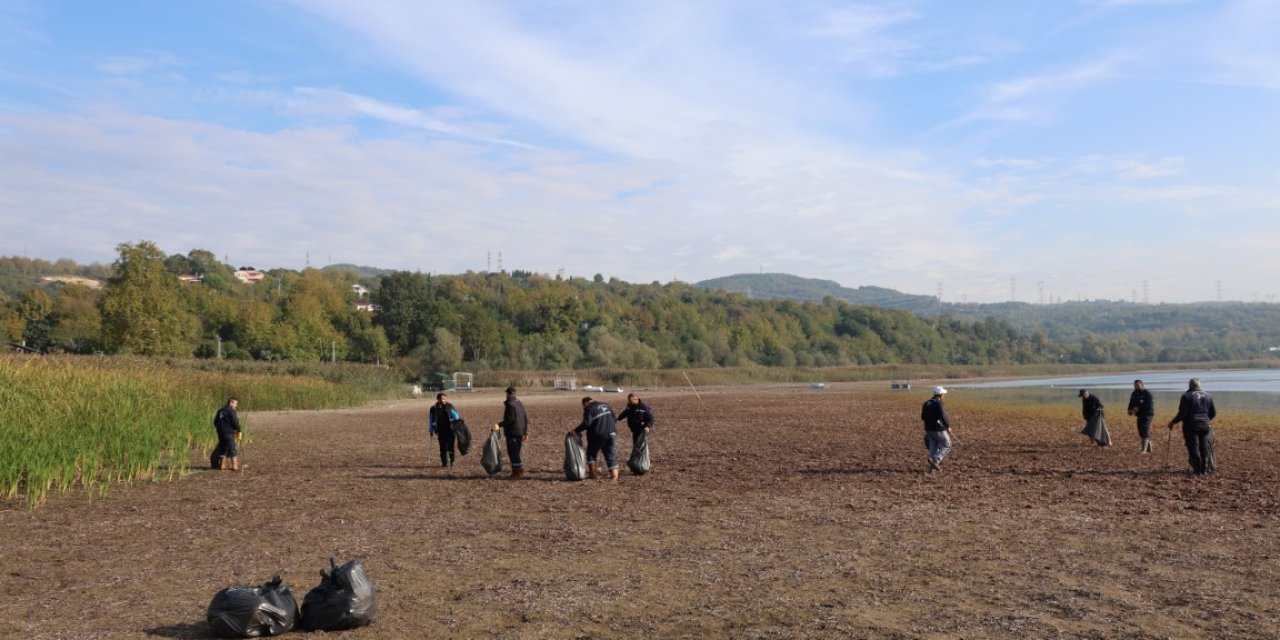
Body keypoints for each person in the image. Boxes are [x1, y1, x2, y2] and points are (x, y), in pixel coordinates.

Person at [1167, 378, 1217, 475]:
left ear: (1189, 385)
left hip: (1191, 426)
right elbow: (1213, 413)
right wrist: (1206, 420)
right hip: (1204, 425)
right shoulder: (1208, 395)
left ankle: (1197, 471)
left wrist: (1173, 422)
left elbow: (1182, 414)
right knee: (1204, 447)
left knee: (1194, 447)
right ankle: (1204, 470)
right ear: (1199, 385)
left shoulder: (1186, 396)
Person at [574, 396, 619, 481]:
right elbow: (614, 418)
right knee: (610, 454)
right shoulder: (605, 405)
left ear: (585, 403)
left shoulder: (589, 408)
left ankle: (593, 475)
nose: (584, 408)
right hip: (612, 433)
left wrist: (576, 430)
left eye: (583, 406)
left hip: (598, 435)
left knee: (591, 454)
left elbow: (587, 423)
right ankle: (614, 477)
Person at [920, 386, 953, 473]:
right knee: (947, 444)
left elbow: (923, 417)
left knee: (933, 447)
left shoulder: (926, 403)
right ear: (940, 395)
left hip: (928, 429)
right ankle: (935, 459)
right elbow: (943, 416)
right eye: (943, 394)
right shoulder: (939, 403)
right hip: (938, 429)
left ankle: (932, 468)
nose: (944, 396)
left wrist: (934, 420)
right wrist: (947, 426)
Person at [500, 387, 529, 479]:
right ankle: (518, 470)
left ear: (508, 394)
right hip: (520, 431)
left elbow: (509, 420)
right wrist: (525, 432)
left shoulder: (510, 404)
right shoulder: (519, 403)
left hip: (512, 432)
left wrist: (498, 425)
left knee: (513, 452)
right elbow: (525, 418)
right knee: (516, 451)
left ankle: (517, 472)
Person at [428, 392, 461, 467]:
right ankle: (444, 463)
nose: (444, 400)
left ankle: (452, 462)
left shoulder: (449, 406)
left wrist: (452, 420)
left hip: (450, 430)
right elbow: (430, 419)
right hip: (440, 430)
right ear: (438, 399)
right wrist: (431, 429)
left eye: (445, 399)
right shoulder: (433, 409)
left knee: (451, 447)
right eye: (442, 399)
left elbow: (456, 417)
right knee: (443, 447)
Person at [211, 397, 242, 472]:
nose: (236, 405)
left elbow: (215, 422)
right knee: (232, 449)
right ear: (230, 403)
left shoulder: (220, 411)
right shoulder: (231, 411)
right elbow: (235, 422)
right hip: (229, 433)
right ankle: (235, 466)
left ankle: (222, 466)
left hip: (220, 433)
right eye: (235, 403)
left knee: (223, 448)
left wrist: (220, 429)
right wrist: (238, 430)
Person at [1127, 379, 1156, 453]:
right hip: (1139, 415)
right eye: (1135, 385)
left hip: (1147, 414)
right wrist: (1129, 410)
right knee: (1140, 431)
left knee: (1144, 429)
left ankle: (1144, 450)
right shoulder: (1134, 394)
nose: (1136, 387)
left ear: (1142, 385)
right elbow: (1131, 403)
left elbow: (1149, 405)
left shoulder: (1147, 393)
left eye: (1138, 385)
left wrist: (1138, 408)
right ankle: (1149, 450)